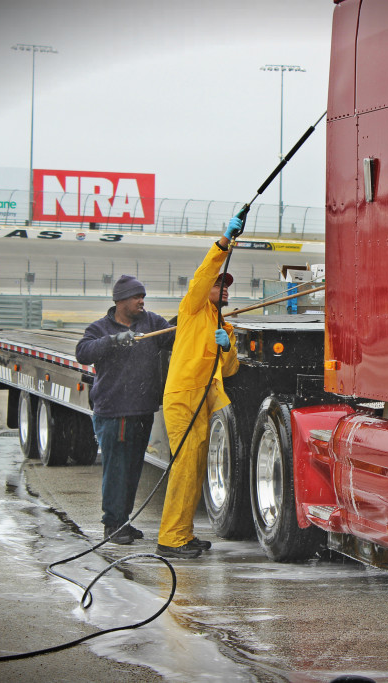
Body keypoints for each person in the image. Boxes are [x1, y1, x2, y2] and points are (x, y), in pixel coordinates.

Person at [157, 216, 242, 558]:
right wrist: (224, 241)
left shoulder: (224, 325)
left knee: (194, 468)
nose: (224, 289)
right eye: (219, 284)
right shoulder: (192, 309)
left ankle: (184, 533)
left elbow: (231, 369)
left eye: (227, 286)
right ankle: (169, 540)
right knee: (184, 465)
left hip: (203, 402)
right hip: (182, 397)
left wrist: (227, 346)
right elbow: (203, 273)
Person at [75, 275, 174, 545]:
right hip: (114, 411)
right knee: (116, 470)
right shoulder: (100, 328)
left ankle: (124, 522)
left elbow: (174, 338)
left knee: (131, 471)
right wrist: (114, 341)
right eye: (136, 297)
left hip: (142, 411)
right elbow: (83, 352)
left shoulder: (152, 322)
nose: (141, 301)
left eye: (143, 296)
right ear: (120, 301)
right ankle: (112, 525)